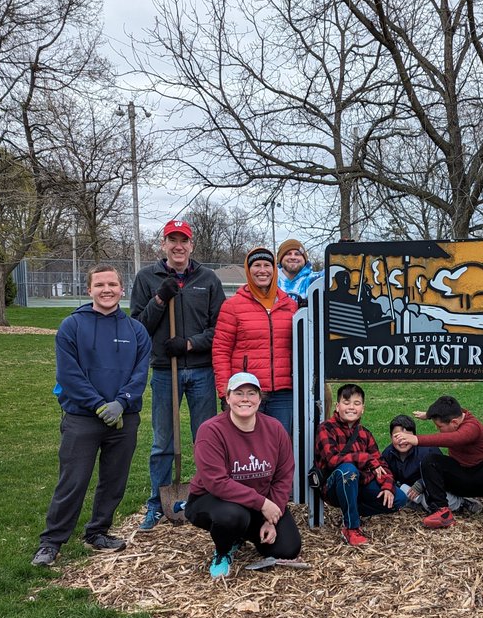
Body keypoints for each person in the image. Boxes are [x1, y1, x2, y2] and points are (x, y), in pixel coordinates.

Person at [32, 265, 151, 567]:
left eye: (112, 284)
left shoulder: (135, 330)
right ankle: (51, 542)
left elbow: (140, 374)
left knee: (114, 480)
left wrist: (122, 403)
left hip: (124, 419)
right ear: (89, 290)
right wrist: (99, 405)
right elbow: (69, 375)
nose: (107, 290)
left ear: (122, 289)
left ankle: (98, 531)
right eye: (100, 285)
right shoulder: (72, 326)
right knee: (73, 481)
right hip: (83, 418)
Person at [131, 219, 226, 531]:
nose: (178, 246)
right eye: (172, 240)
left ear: (191, 245)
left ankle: (207, 498)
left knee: (206, 440)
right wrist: (160, 299)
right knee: (163, 442)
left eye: (183, 240)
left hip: (201, 371)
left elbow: (219, 329)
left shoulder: (207, 279)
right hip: (163, 372)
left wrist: (188, 343)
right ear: (163, 245)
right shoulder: (147, 278)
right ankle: (157, 504)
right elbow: (138, 328)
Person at [185, 372, 301, 578]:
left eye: (251, 393)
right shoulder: (211, 431)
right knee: (232, 517)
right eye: (238, 393)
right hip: (213, 500)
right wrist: (263, 504)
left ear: (259, 398)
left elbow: (284, 475)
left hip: (257, 503)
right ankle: (223, 551)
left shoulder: (274, 429)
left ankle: (240, 533)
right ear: (228, 398)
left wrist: (271, 519)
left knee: (287, 548)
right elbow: (217, 483)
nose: (245, 399)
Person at [393, 395, 483, 529]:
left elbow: (453, 439)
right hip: (461, 476)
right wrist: (429, 414)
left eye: (439, 426)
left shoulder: (472, 427)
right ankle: (442, 511)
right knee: (430, 461)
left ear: (454, 423)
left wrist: (416, 440)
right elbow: (451, 409)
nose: (438, 429)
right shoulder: (456, 416)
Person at [212, 246, 298, 435]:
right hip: (246, 391)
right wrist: (225, 390)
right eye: (256, 265)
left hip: (284, 393)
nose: (262, 270)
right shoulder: (232, 306)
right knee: (246, 444)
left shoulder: (291, 306)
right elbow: (221, 351)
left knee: (279, 443)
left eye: (267, 265)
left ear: (274, 270)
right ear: (248, 271)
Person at [315, 384, 407, 546]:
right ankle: (351, 527)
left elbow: (381, 464)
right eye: (346, 402)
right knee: (348, 470)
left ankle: (354, 510)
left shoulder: (365, 433)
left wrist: (387, 486)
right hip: (333, 486)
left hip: (361, 482)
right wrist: (365, 459)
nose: (351, 407)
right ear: (338, 406)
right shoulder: (326, 428)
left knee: (399, 498)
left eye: (356, 404)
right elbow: (332, 460)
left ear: (363, 408)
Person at [381, 415, 483, 515]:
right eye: (396, 436)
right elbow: (386, 474)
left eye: (407, 436)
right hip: (409, 490)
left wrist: (422, 483)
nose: (402, 441)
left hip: (432, 486)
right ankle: (418, 504)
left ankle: (462, 502)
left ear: (414, 436)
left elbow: (442, 473)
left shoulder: (428, 450)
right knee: (399, 493)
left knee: (432, 501)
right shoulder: (388, 454)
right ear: (390, 437)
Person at [276, 238, 322, 304]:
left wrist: (341, 252)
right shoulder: (270, 281)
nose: (293, 257)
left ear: (304, 259)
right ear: (280, 259)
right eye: (288, 254)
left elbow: (333, 274)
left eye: (297, 254)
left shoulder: (315, 279)